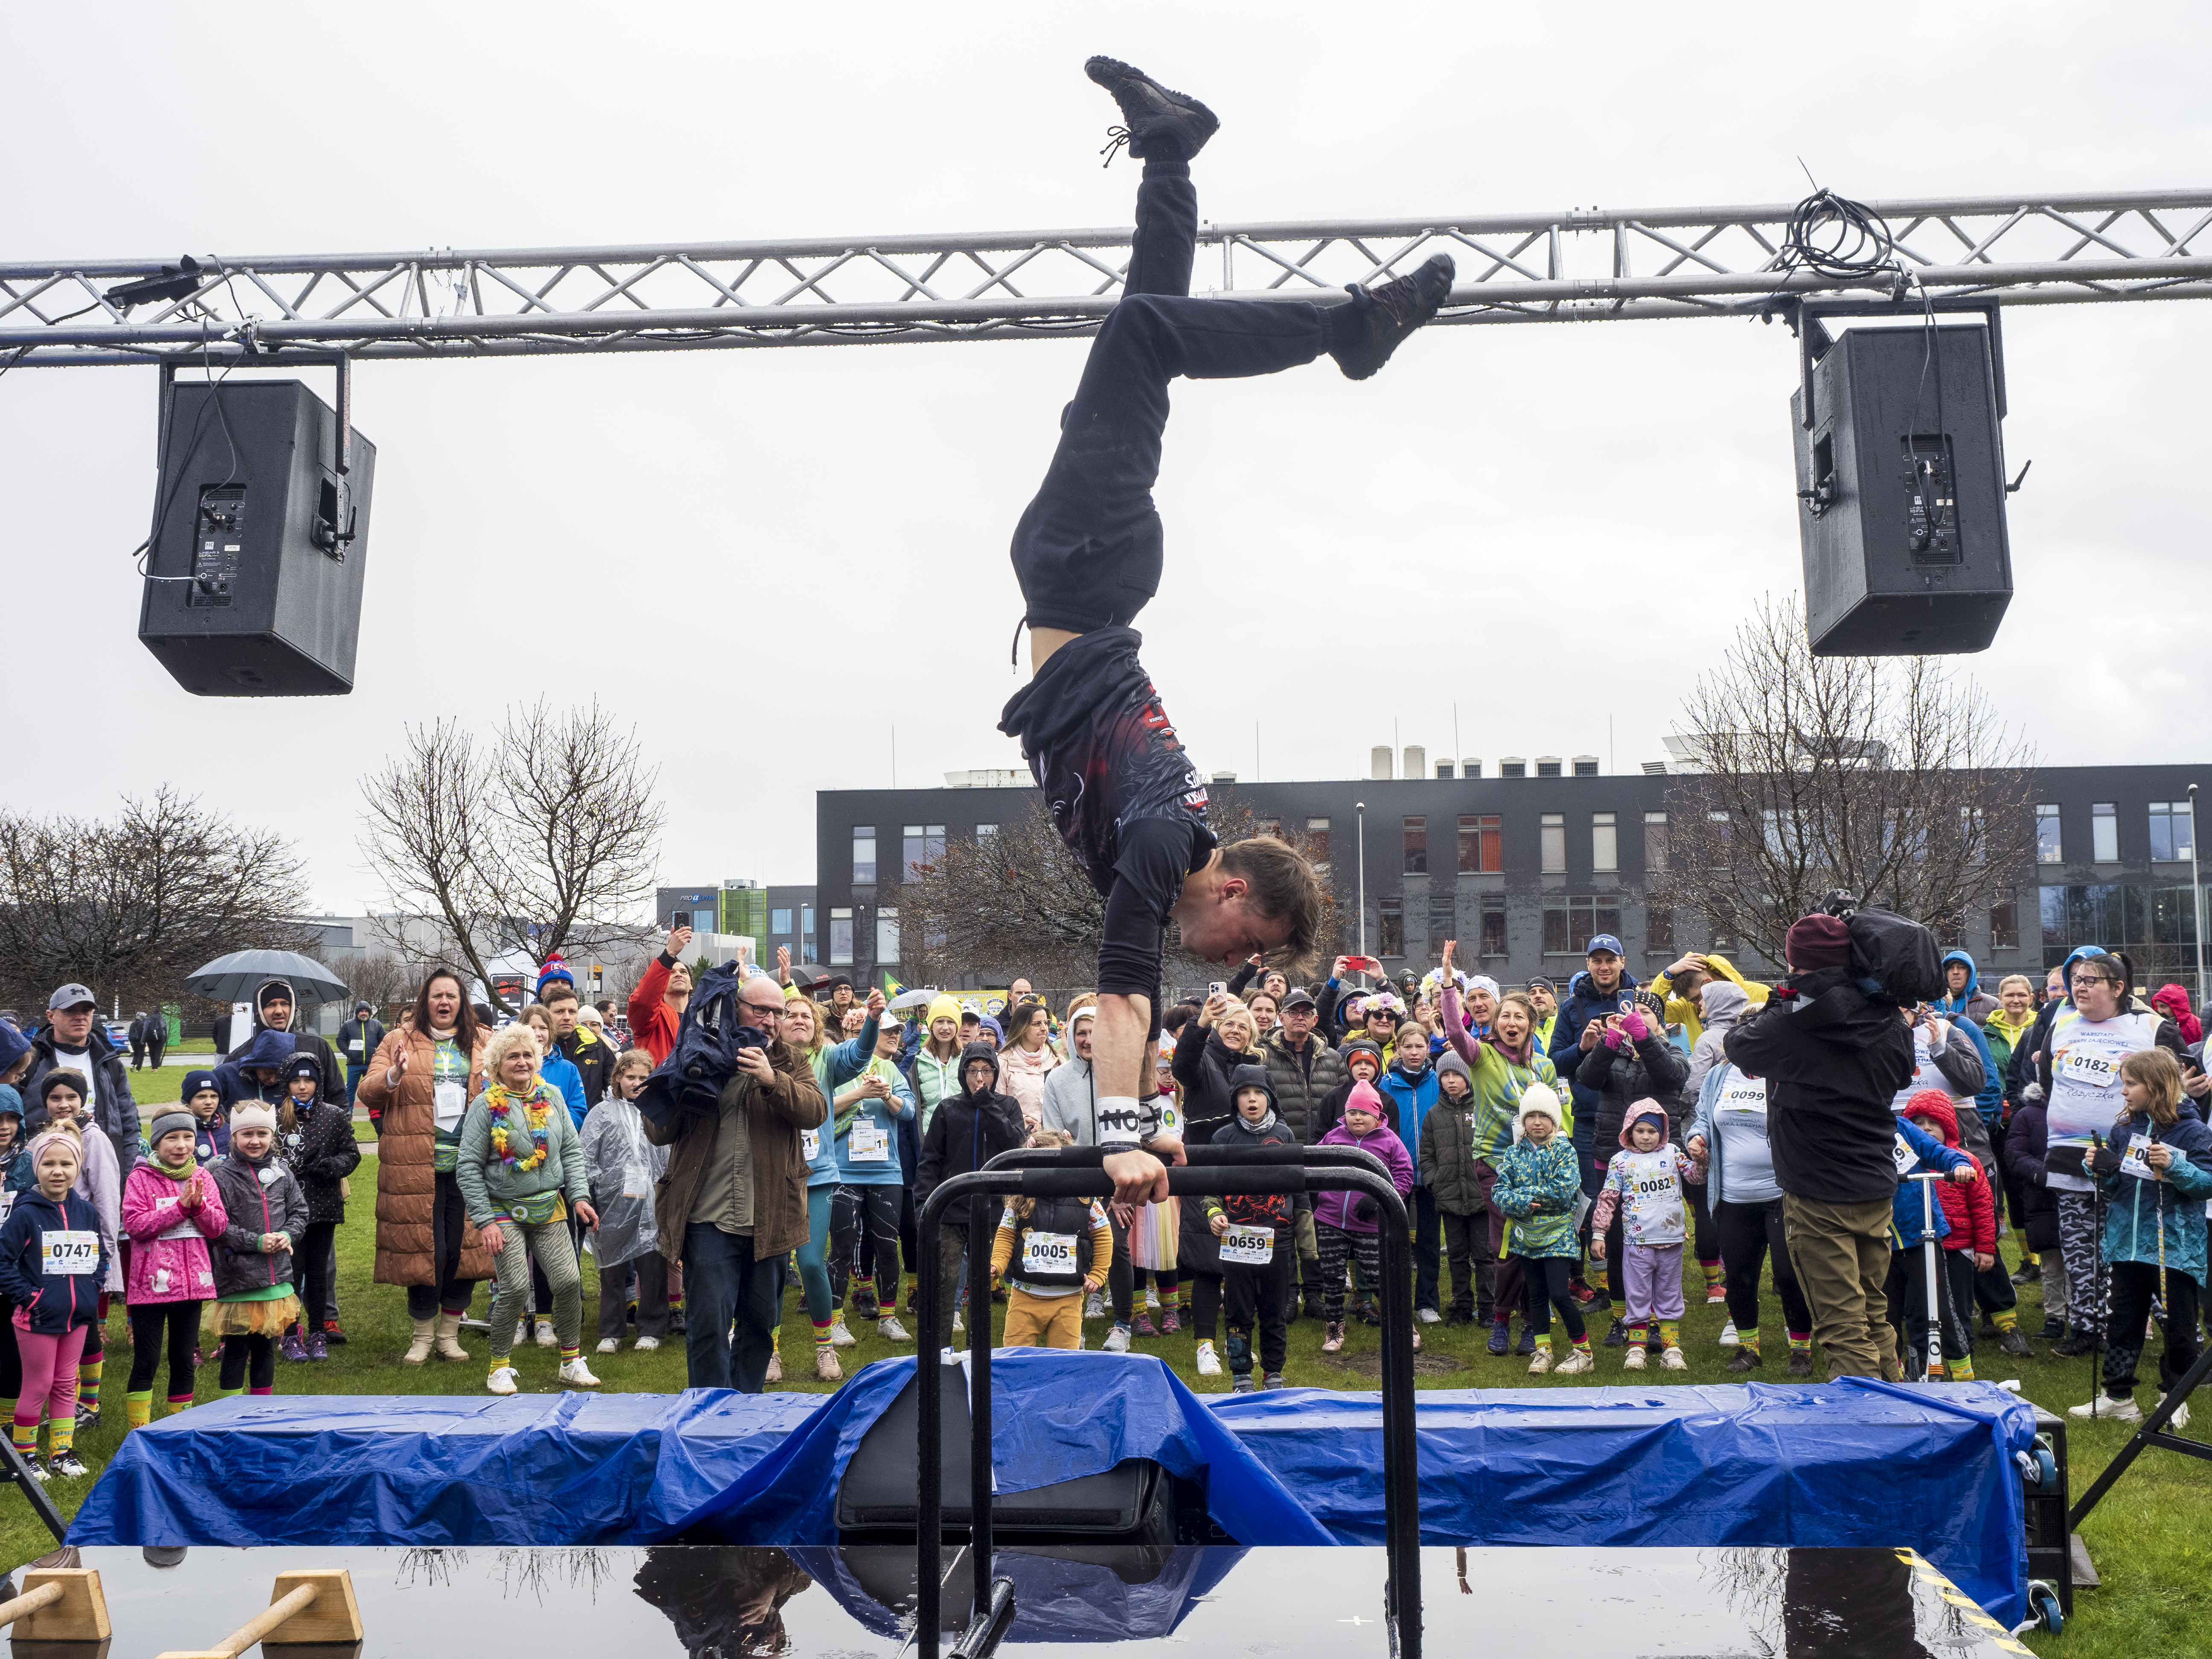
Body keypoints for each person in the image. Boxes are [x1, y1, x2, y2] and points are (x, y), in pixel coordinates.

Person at [998, 59, 1424, 1223]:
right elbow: (1124, 998)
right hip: (1084, 573)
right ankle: (1349, 330)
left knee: (1150, 337)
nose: (1239, 961)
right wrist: (1129, 1137)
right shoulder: (1158, 843)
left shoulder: (1162, 838)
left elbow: (1139, 1011)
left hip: (1083, 575)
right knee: (1144, 337)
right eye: (1257, 943)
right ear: (1235, 886)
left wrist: (1157, 1123)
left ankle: (1173, 152)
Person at [1721, 913, 1917, 1381]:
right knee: (1874, 1312)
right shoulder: (1889, 1018)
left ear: (1795, 965)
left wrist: (1782, 999)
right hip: (1873, 1181)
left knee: (1842, 1324)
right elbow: (1902, 1072)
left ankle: (1865, 1432)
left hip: (1816, 1190)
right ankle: (1903, 1416)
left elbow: (1738, 1045)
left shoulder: (1792, 1024)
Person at [646, 973, 824, 1391]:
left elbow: (815, 1111)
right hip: (708, 1217)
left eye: (777, 1012)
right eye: (759, 1009)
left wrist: (772, 1080)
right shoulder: (700, 1050)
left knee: (760, 1326)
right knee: (707, 1324)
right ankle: (708, 1412)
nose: (770, 1020)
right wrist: (675, 1084)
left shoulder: (791, 1062)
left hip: (772, 1218)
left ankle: (745, 1410)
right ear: (733, 1007)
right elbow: (660, 1132)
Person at [2031, 947, 2187, 1357]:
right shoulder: (2060, 1024)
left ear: (2118, 988)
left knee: (2140, 1250)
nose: (2079, 987)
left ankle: (2180, 1336)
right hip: (2068, 1154)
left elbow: (2181, 1087)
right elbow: (2047, 1080)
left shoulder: (2151, 1027)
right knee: (2080, 1250)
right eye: (2077, 980)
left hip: (2133, 1158)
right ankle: (2087, 1329)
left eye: (2090, 980)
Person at [358, 969, 495, 1367]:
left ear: (461, 1002)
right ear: (425, 1001)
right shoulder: (396, 1040)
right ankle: (422, 1337)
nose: (444, 1003)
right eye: (437, 996)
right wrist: (395, 1074)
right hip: (415, 1166)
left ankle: (449, 1337)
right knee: (425, 1252)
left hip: (471, 1167)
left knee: (464, 1251)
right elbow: (367, 1091)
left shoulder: (484, 1042)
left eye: (451, 996)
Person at [457, 1022, 600, 1394]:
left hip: (549, 1206)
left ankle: (571, 1361)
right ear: (496, 1065)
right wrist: (485, 1221)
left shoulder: (552, 1095)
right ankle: (499, 1368)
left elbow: (571, 1149)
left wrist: (580, 1197)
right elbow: (468, 1166)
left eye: (527, 1055)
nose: (521, 1062)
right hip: (503, 1209)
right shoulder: (484, 1106)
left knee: (569, 1282)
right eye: (512, 1056)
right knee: (517, 1287)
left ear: (537, 1060)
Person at [2072, 1047, 2212, 1423]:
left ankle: (2174, 1398)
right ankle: (2118, 1398)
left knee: (2180, 1328)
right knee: (2122, 1323)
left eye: (2131, 1084)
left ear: (2156, 1085)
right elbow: (2117, 1184)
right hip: (2127, 1244)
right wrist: (2099, 1168)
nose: (2124, 1092)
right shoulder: (2124, 1130)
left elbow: (2206, 1184)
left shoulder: (2194, 1131)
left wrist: (2176, 1165)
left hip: (2175, 1247)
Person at [1686, 1054, 1817, 1375]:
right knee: (1741, 1278)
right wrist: (1696, 1137)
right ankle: (1749, 1349)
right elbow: (1703, 1116)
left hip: (1781, 1194)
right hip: (1733, 1196)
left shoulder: (1784, 1070)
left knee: (1789, 1276)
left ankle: (1801, 1352)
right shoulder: (1720, 1075)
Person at [1575, 989, 1691, 1337]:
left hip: (1658, 1165)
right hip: (1613, 1156)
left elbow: (1672, 1076)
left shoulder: (1671, 1049)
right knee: (1617, 1244)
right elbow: (1587, 1078)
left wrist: (1643, 1037)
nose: (1636, 1017)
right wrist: (1610, 1041)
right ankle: (1622, 1318)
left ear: (1658, 1020)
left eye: (1645, 1012)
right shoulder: (1614, 1052)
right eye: (1631, 1011)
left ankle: (1657, 1321)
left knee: (1658, 1246)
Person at [0, 1131, 108, 1481]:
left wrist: (93, 1288)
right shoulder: (25, 1214)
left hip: (77, 1316)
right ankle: (24, 1457)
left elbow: (100, 1255)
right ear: (37, 1168)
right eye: (48, 1163)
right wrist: (31, 1298)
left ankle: (61, 1454)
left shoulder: (87, 1212)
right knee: (38, 1384)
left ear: (78, 1168)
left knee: (64, 1383)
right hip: (38, 1318)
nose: (57, 1171)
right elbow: (3, 1261)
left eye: (66, 1163)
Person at [121, 1106, 228, 1428]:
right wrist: (180, 1210)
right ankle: (137, 1431)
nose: (181, 1145)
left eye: (188, 1137)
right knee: (147, 1360)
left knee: (184, 1359)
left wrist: (200, 1208)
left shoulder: (203, 1177)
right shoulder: (140, 1178)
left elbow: (218, 1227)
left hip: (192, 1285)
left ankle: (177, 1430)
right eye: (172, 1138)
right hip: (150, 1287)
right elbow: (135, 1225)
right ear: (156, 1143)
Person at [915, 1044, 1026, 1350]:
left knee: (982, 1287)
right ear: (963, 1073)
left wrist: (988, 1105)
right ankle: (937, 1356)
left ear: (996, 1073)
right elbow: (930, 1162)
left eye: (987, 1070)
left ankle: (978, 1353)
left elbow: (1015, 1143)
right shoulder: (948, 1108)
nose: (980, 1077)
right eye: (973, 1070)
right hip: (950, 1214)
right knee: (943, 1287)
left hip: (992, 1214)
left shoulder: (1008, 1105)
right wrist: (924, 1208)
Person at [1548, 936, 1638, 1299]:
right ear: (1588, 964)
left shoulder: (1640, 1002)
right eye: (1597, 960)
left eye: (1610, 960)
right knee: (1593, 1201)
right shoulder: (1572, 1008)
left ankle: (1636, 1277)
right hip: (1588, 1119)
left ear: (1622, 961)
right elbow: (1554, 1061)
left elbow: (1660, 1048)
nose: (1604, 967)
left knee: (1637, 1203)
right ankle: (1603, 1287)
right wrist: (1582, 1047)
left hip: (1633, 1117)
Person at [1590, 1099, 1707, 1370]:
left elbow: (1695, 1178)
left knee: (1669, 1296)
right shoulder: (1621, 1162)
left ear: (1662, 1132)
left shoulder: (1673, 1154)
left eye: (1652, 1131)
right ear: (1629, 1131)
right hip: (1637, 1244)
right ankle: (1636, 1348)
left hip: (1672, 1242)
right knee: (1638, 1295)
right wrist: (1598, 1232)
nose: (1646, 1137)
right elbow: (1608, 1199)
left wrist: (1701, 1160)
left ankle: (1672, 1348)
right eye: (1640, 1130)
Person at [1204, 1064, 1299, 1390]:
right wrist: (1215, 1212)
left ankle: (1274, 1372)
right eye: (1244, 1094)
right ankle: (1241, 1374)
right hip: (1237, 1242)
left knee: (1274, 1312)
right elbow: (1209, 1189)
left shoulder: (1285, 1135)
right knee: (1238, 1313)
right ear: (1235, 1100)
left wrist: (1307, 1238)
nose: (1253, 1100)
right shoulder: (1222, 1137)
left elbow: (1298, 1190)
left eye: (1259, 1093)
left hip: (1278, 1240)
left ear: (1270, 1098)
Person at [1884, 1090, 1991, 1381]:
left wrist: (1958, 1164)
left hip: (1921, 1235)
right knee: (1886, 1314)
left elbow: (1936, 1151)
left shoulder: (1901, 1127)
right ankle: (1895, 1375)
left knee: (1939, 1307)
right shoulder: (1852, 1131)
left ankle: (1963, 1374)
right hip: (1879, 1240)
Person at [205, 1103, 307, 1402]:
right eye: (247, 1134)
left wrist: (287, 1235)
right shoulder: (220, 1175)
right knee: (237, 1351)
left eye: (262, 1133)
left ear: (272, 1136)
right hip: (238, 1278)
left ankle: (261, 1408)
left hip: (275, 1279)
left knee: (265, 1349)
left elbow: (300, 1211)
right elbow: (217, 1225)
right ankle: (229, 1410)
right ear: (234, 1137)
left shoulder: (282, 1172)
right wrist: (256, 1242)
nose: (255, 1141)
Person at [32, 1073, 119, 1426]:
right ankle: (62, 1401)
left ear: (83, 1100)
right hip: (50, 1256)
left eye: (71, 1097)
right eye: (55, 1097)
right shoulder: (40, 1140)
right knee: (59, 1329)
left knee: (85, 1327)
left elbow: (108, 1197)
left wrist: (107, 1254)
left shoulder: (93, 1139)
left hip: (86, 1252)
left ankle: (90, 1404)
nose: (64, 1104)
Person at [828, 1015, 918, 1353]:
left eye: (898, 1031)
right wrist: (861, 1093)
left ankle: (888, 1317)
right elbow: (821, 1110)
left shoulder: (892, 1070)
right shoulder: (836, 1066)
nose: (896, 1035)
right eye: (889, 1031)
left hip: (886, 1172)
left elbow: (908, 1111)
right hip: (844, 1172)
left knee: (886, 1245)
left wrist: (886, 1097)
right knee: (841, 1246)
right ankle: (835, 1320)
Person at [1490, 1085, 1592, 1375]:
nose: (1537, 1122)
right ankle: (1543, 1350)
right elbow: (1500, 1192)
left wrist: (1526, 1196)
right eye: (1531, 1116)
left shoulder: (1565, 1151)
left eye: (1544, 1116)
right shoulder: (1513, 1153)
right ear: (1523, 1120)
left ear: (1554, 1120)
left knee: (1559, 1293)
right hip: (1526, 1237)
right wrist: (1524, 1202)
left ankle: (1583, 1352)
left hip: (1558, 1236)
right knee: (1535, 1293)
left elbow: (1564, 1192)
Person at [1258, 987, 1347, 1314]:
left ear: (1315, 1019)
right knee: (1282, 1223)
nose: (1299, 1017)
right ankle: (1288, 1294)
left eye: (1305, 1012)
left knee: (1316, 1227)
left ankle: (1314, 1295)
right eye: (1293, 1012)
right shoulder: (1263, 1056)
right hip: (1280, 1154)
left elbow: (1342, 1107)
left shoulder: (1333, 1058)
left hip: (1322, 1155)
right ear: (1281, 1018)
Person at [1312, 1080, 1415, 1355]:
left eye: (1364, 1113)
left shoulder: (1390, 1140)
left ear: (1377, 1116)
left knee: (1378, 1276)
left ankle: (1405, 1326)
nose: (1357, 1118)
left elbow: (1405, 1176)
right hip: (1330, 1219)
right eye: (1352, 1112)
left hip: (1370, 1224)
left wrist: (1380, 1197)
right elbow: (1314, 1165)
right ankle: (1334, 1328)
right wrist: (1322, 1194)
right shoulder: (1334, 1136)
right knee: (1332, 1277)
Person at [989, 1128, 1112, 1351]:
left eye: (1060, 1162)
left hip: (1068, 1300)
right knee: (1015, 1359)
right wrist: (997, 1264)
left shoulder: (1087, 1200)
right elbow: (1005, 1236)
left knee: (1065, 1364)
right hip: (1024, 1296)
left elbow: (1104, 1236)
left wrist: (1099, 1274)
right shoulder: (1019, 1199)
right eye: (1045, 1163)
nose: (1054, 1171)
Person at [271, 1056, 360, 1362]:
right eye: (296, 1081)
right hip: (288, 1209)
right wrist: (285, 1170)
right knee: (292, 1273)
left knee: (319, 1273)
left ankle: (318, 1332)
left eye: (308, 1081)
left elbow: (352, 1154)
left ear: (317, 1083)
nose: (303, 1086)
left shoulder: (333, 1115)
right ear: (287, 1084)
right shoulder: (276, 1117)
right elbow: (265, 1158)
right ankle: (291, 1334)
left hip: (324, 1205)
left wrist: (329, 1167)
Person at [582, 1048, 670, 1355]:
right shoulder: (601, 1113)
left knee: (653, 1266)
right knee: (612, 1269)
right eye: (629, 1076)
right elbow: (587, 1155)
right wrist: (592, 1195)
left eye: (643, 1078)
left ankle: (652, 1327)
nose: (636, 1083)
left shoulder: (659, 1111)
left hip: (652, 1203)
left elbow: (669, 1155)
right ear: (617, 1077)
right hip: (612, 1204)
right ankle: (611, 1330)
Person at [22, 984, 138, 1175]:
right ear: (51, 1016)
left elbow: (128, 1122)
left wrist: (129, 1174)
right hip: (45, 1169)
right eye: (70, 1011)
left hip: (100, 1168)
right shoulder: (31, 1060)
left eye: (86, 1010)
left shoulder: (110, 1062)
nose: (80, 1017)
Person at [1375, 1015, 1443, 1322]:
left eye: (1420, 1046)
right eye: (1408, 1046)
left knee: (1429, 1241)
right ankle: (1395, 1298)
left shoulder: (1440, 1082)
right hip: (1396, 1174)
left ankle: (1427, 1303)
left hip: (1431, 1171)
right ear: (1398, 1049)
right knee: (1395, 1239)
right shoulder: (1385, 1086)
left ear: (1429, 1048)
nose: (1414, 1052)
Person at [1419, 1049, 1493, 1328]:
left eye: (1457, 1075)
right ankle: (1462, 1306)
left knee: (1485, 1256)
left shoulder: (1483, 1109)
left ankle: (1488, 1309)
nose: (1451, 1081)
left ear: (1468, 1077)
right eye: (1446, 1076)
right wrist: (1434, 1181)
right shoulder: (1434, 1115)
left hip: (1482, 1197)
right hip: (1449, 1197)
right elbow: (1427, 1154)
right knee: (1458, 1256)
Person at [2002, 1074, 2067, 1339]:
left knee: (2082, 1261)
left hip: (2081, 1194)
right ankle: (2056, 1316)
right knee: (2052, 1263)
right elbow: (2014, 1153)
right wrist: (2043, 1174)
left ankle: (2082, 1314)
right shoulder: (2029, 1114)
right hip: (2043, 1198)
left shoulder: (2081, 1110)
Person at [1649, 953, 1770, 1048]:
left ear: (1708, 983)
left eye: (1697, 998)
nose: (1698, 1005)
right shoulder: (1688, 1007)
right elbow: (1653, 1008)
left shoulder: (1760, 993)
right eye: (1692, 1001)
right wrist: (1668, 975)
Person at [628, 924, 698, 1066]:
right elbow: (642, 1001)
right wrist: (670, 954)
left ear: (691, 985)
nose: (678, 974)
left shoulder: (701, 1018)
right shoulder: (650, 1020)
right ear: (662, 983)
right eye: (671, 973)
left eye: (683, 972)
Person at [542, 981, 616, 1113]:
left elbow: (616, 1088)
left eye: (572, 1012)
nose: (567, 1017)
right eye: (559, 1012)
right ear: (547, 1014)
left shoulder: (597, 1046)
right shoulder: (534, 1050)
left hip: (591, 1127)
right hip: (547, 1127)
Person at [996, 1002, 1061, 1132]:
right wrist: (1021, 1119)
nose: (1044, 1028)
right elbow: (997, 1106)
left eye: (1046, 1023)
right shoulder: (1003, 1063)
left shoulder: (1058, 1061)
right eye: (1037, 1024)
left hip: (1054, 1142)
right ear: (1022, 1027)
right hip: (1019, 1141)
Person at [909, 996, 968, 1134]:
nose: (945, 1027)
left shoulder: (966, 1060)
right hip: (927, 1136)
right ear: (931, 1026)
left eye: (951, 1022)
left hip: (961, 1136)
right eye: (940, 1021)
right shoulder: (918, 1061)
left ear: (957, 1026)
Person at [338, 1002, 387, 1107]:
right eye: (362, 1011)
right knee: (351, 1090)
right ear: (357, 1013)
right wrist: (348, 1052)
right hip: (354, 1064)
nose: (364, 1013)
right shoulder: (348, 1025)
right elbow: (340, 1040)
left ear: (369, 1013)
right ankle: (348, 1115)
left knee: (373, 1090)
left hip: (372, 1065)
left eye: (366, 1011)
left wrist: (378, 1053)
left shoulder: (377, 1025)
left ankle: (376, 1115)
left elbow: (385, 1040)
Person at [180, 1070, 228, 1166]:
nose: (209, 1102)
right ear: (188, 1101)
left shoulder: (229, 1129)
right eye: (201, 1097)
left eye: (214, 1096)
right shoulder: (181, 1131)